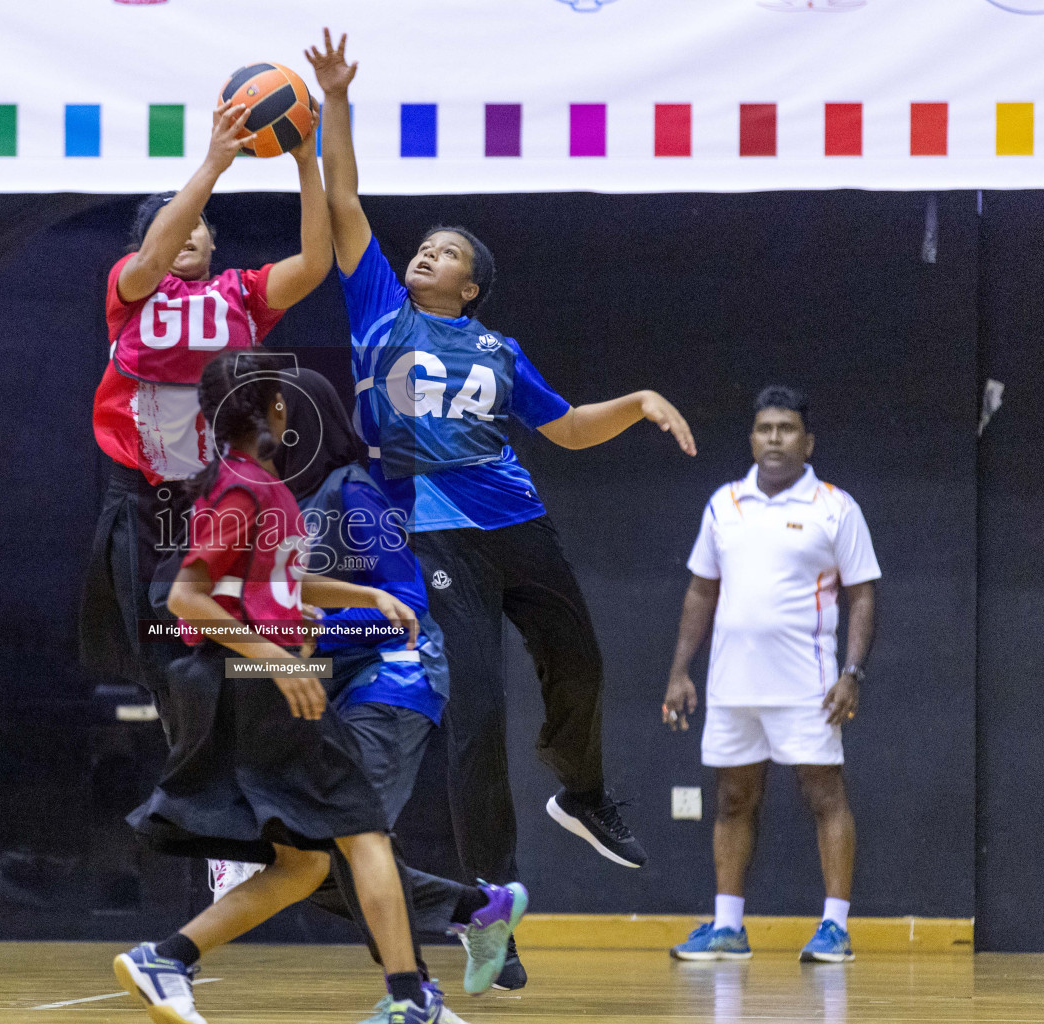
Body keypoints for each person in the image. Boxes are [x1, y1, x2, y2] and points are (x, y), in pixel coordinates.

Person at [306, 28, 696, 989]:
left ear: (469, 285)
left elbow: (562, 430)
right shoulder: (380, 316)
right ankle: (496, 915)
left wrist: (639, 400)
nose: (424, 256)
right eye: (423, 248)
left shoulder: (499, 350)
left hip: (516, 521)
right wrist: (334, 105)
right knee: (476, 710)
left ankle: (587, 795)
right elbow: (346, 203)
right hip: (434, 527)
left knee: (582, 662)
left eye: (442, 253)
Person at [117, 351, 454, 1024]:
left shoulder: (253, 485)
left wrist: (360, 592)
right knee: (366, 835)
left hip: (253, 684)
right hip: (258, 687)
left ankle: (168, 958)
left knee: (302, 866)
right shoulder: (245, 489)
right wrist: (280, 658)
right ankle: (411, 1002)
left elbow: (272, 582)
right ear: (274, 411)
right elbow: (190, 598)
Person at [80, 98, 332, 697]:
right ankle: (189, 774)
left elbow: (317, 263)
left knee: (241, 641)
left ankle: (238, 760)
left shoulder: (242, 295)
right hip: (145, 491)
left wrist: (305, 161)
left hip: (226, 494)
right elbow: (150, 255)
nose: (188, 229)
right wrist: (214, 165)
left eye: (198, 222)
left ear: (214, 241)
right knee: (159, 654)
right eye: (175, 220)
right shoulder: (133, 289)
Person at [664, 386, 878, 964]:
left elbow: (862, 597)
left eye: (787, 429)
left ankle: (835, 928)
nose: (775, 438)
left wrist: (851, 672)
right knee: (733, 799)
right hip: (732, 686)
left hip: (809, 684)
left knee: (824, 796)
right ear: (752, 438)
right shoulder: (724, 504)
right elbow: (701, 590)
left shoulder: (836, 507)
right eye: (765, 429)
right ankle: (729, 927)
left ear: (807, 442)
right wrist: (681, 671)